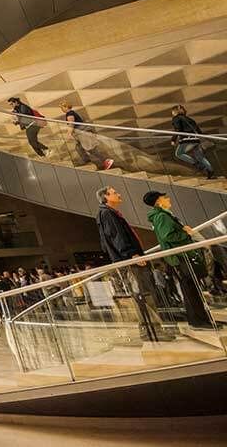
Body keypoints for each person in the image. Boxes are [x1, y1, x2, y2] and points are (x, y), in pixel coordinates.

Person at [96, 186, 171, 341]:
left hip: (128, 258)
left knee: (143, 294)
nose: (119, 194)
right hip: (130, 260)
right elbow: (116, 236)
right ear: (106, 197)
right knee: (143, 294)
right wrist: (132, 254)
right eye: (115, 192)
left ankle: (152, 330)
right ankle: (152, 330)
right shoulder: (107, 213)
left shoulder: (108, 213)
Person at [143, 191, 214, 328]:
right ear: (158, 202)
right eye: (164, 197)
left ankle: (200, 320)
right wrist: (185, 233)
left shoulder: (163, 215)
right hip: (181, 258)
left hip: (180, 257)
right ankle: (198, 321)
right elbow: (168, 236)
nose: (168, 199)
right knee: (190, 290)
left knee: (191, 289)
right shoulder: (162, 216)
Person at [171, 105, 216, 178]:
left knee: (179, 153)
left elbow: (177, 130)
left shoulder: (176, 119)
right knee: (200, 156)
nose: (172, 114)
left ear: (175, 111)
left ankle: (197, 164)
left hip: (187, 140)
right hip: (196, 140)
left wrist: (173, 139)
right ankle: (210, 170)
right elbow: (199, 131)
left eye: (172, 112)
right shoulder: (190, 119)